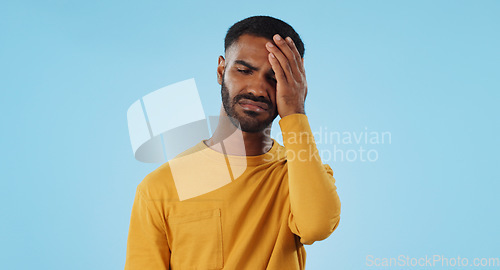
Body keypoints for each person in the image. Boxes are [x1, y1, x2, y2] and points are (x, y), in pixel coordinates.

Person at [125, 15, 341, 270]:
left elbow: (316, 226)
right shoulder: (160, 188)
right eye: (244, 70)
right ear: (221, 70)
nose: (258, 89)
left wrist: (295, 112)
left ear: (294, 85)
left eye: (274, 77)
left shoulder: (300, 173)